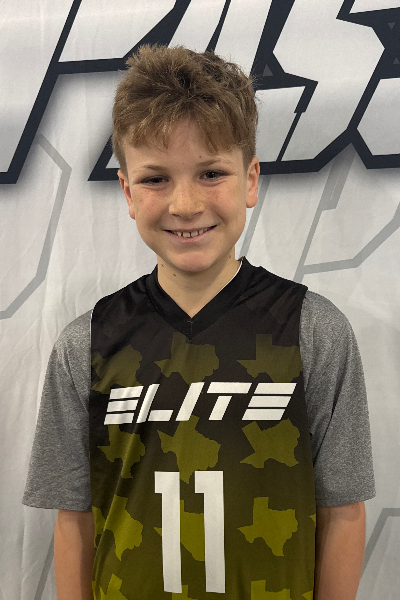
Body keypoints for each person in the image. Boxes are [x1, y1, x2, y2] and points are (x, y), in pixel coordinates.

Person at [23, 44, 375, 600]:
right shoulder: (85, 343)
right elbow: (74, 517)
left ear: (251, 180)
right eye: (156, 179)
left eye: (211, 173)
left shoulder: (313, 330)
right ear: (127, 192)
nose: (185, 204)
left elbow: (343, 511)